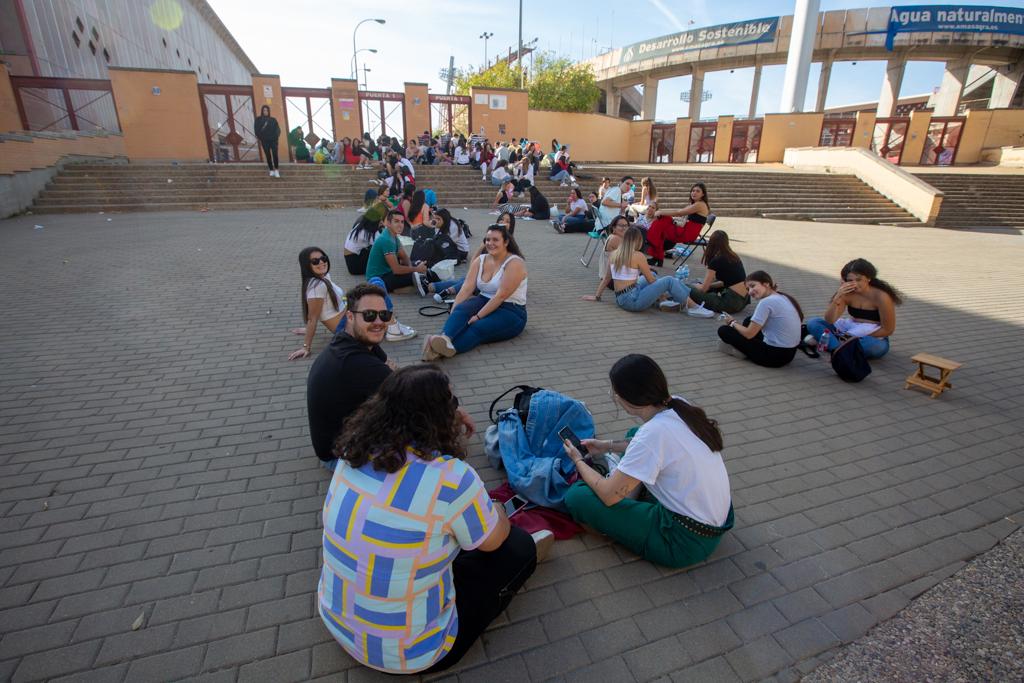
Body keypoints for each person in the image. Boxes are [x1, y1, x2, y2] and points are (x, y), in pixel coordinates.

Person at [319, 364, 551, 675]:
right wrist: (494, 508)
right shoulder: (452, 478)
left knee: (433, 539)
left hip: (337, 622)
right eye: (452, 403)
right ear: (441, 417)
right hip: (415, 654)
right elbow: (495, 541)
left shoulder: (352, 452)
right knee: (517, 547)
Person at [562, 354, 733, 568]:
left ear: (628, 398)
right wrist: (606, 445)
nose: (614, 396)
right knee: (635, 433)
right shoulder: (677, 404)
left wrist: (578, 460)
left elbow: (607, 495)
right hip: (710, 518)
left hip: (682, 540)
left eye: (615, 392)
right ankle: (629, 490)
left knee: (577, 496)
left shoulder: (653, 434)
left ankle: (625, 499)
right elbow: (646, 443)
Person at [305, 283, 393, 467]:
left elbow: (392, 372)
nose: (379, 322)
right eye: (369, 315)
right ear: (350, 317)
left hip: (338, 441)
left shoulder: (349, 340)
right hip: (339, 457)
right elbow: (410, 392)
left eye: (384, 315)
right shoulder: (357, 363)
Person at [422, 224, 527, 360]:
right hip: (483, 300)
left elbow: (500, 296)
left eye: (495, 240)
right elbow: (466, 288)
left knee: (477, 326)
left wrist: (478, 316)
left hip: (511, 310)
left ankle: (439, 351)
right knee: (461, 310)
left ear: (506, 242)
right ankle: (445, 339)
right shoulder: (480, 260)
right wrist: (454, 310)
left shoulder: (515, 263)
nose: (490, 243)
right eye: (487, 239)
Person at [584, 227, 714, 317]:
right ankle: (693, 307)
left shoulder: (614, 254)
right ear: (637, 241)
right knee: (669, 280)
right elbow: (651, 281)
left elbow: (606, 279)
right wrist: (666, 286)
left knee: (654, 275)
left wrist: (597, 296)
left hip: (620, 299)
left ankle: (664, 300)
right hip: (633, 301)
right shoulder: (638, 255)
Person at [805, 258, 902, 359]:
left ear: (868, 278)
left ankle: (832, 345)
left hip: (872, 335)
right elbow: (830, 320)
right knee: (813, 322)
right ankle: (839, 349)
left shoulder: (882, 296)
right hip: (849, 329)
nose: (854, 284)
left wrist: (854, 337)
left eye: (859, 280)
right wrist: (838, 297)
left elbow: (888, 330)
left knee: (875, 347)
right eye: (850, 280)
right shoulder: (846, 293)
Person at [717, 271, 804, 368]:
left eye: (753, 286)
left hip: (773, 356)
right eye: (748, 289)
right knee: (748, 320)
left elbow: (749, 334)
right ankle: (745, 347)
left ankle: (744, 350)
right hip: (790, 353)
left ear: (766, 284)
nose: (750, 291)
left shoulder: (766, 302)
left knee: (724, 330)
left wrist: (732, 322)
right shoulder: (783, 296)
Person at [365, 209, 422, 341]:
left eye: (402, 222)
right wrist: (416, 270)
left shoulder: (393, 236)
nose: (400, 225)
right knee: (418, 275)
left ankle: (404, 287)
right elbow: (396, 270)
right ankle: (410, 286)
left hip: (386, 274)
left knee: (416, 269)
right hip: (378, 279)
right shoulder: (386, 240)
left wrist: (413, 267)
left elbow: (404, 256)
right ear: (388, 223)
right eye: (396, 221)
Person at [288, 247, 346, 361]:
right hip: (345, 327)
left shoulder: (324, 276)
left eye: (323, 258)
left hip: (350, 317)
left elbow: (320, 309)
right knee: (377, 284)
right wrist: (306, 347)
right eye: (315, 261)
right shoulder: (317, 287)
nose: (321, 262)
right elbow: (312, 318)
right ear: (307, 266)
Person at [685, 230, 750, 315]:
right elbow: (725, 282)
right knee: (711, 283)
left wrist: (695, 286)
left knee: (686, 287)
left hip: (731, 303)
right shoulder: (733, 256)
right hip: (743, 300)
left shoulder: (716, 260)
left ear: (711, 243)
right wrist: (709, 285)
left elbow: (704, 289)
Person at [646, 182, 710, 266]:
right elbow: (680, 213)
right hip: (685, 229)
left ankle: (655, 253)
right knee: (663, 221)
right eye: (693, 190)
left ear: (703, 194)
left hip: (687, 234)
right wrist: (662, 213)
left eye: (698, 191)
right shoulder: (696, 203)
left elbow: (679, 213)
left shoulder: (700, 205)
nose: (694, 193)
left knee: (659, 225)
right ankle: (657, 256)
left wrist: (661, 212)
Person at [255, 105, 281, 178]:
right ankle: (271, 170)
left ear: (269, 111)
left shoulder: (273, 120)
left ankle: (276, 170)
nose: (265, 112)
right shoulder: (258, 120)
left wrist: (276, 137)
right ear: (262, 111)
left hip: (273, 141)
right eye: (264, 110)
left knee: (275, 155)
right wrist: (262, 138)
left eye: (267, 110)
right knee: (268, 155)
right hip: (265, 141)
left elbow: (278, 130)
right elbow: (256, 131)